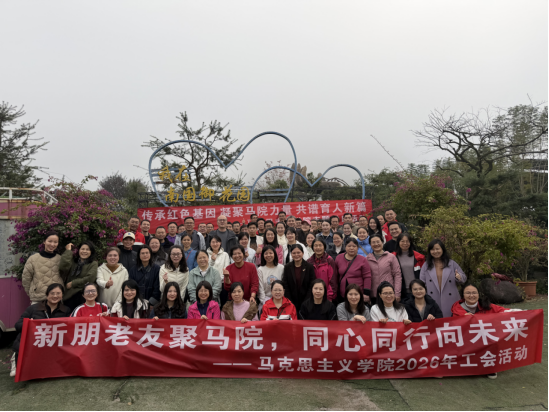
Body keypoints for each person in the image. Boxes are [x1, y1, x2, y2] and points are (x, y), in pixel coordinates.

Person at [452, 283, 512, 380]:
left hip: (485, 339)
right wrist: (463, 319)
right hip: (466, 339)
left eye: (474, 293)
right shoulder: (457, 309)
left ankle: (490, 367)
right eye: (468, 293)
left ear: (478, 294)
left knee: (493, 339)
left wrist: (527, 313)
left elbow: (506, 312)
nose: (471, 295)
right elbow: (454, 328)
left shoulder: (487, 305)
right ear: (463, 295)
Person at [11, 283, 71, 377]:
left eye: (58, 293)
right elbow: (17, 325)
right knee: (28, 374)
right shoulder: (33, 308)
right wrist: (29, 324)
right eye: (52, 293)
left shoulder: (66, 310)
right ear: (47, 295)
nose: (55, 296)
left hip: (52, 345)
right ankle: (16, 365)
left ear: (62, 295)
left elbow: (70, 329)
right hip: (33, 345)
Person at [420, 239, 467, 318]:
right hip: (432, 298)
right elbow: (421, 283)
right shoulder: (426, 265)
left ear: (442, 249)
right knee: (436, 320)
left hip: (451, 298)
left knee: (452, 320)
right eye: (432, 249)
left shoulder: (451, 263)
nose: (435, 251)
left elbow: (463, 278)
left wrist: (459, 277)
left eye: (437, 249)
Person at [22, 231, 63, 305]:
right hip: (39, 299)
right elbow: (26, 279)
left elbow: (65, 276)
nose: (52, 244)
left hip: (57, 298)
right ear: (44, 241)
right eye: (50, 241)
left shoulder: (60, 259)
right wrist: (34, 292)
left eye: (55, 242)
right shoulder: (33, 259)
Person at [60, 241, 98, 310]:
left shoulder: (93, 264)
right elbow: (63, 268)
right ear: (79, 250)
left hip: (83, 296)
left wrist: (73, 283)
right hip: (68, 296)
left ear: (91, 252)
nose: (84, 251)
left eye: (87, 249)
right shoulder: (73, 261)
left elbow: (90, 278)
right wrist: (68, 251)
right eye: (82, 249)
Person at [367, 234, 402, 305]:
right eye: (373, 242)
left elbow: (397, 275)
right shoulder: (367, 259)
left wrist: (397, 293)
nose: (376, 244)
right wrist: (366, 293)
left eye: (378, 241)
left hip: (388, 294)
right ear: (370, 244)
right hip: (374, 295)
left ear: (382, 242)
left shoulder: (391, 257)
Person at [334, 238, 371, 303]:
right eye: (349, 246)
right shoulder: (338, 258)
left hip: (357, 292)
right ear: (345, 247)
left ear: (357, 248)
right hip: (342, 292)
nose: (351, 248)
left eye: (354, 246)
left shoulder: (363, 260)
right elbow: (335, 275)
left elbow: (367, 277)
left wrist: (366, 293)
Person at [282, 244, 316, 313]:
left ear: (302, 253)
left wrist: (306, 300)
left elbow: (312, 284)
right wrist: (289, 300)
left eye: (298, 252)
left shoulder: (309, 267)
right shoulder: (287, 267)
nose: (296, 255)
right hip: (291, 300)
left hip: (307, 300)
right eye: (294, 253)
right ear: (291, 254)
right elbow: (285, 284)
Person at [393, 233, 426, 300]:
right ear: (398, 242)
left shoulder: (419, 257)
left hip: (417, 290)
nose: (405, 243)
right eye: (402, 241)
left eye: (407, 241)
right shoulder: (392, 257)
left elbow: (424, 274)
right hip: (401, 292)